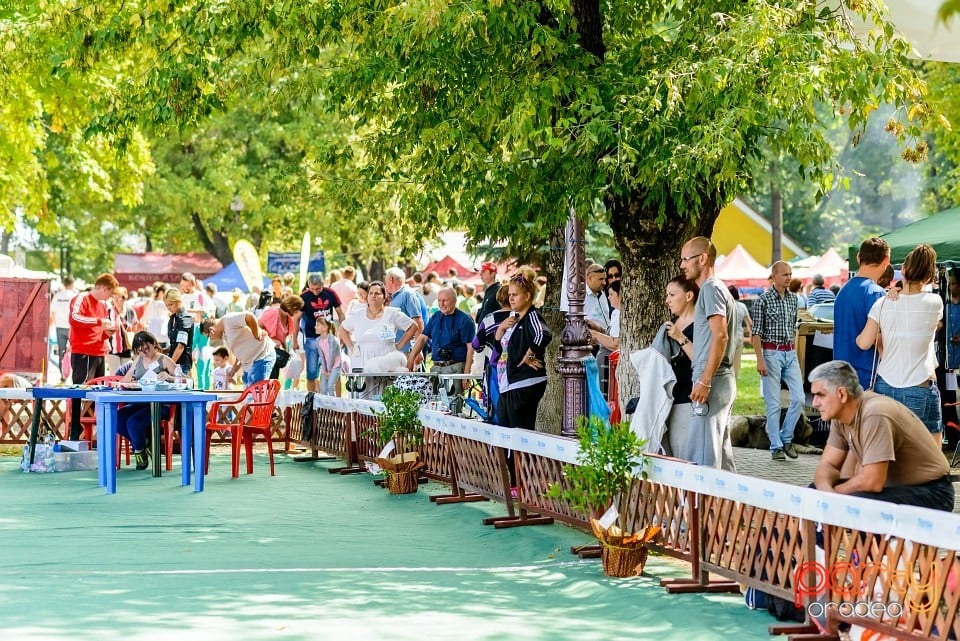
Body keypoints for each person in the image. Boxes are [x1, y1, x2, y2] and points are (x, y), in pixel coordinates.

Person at [809, 360, 953, 512]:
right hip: (896, 489)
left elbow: (872, 482)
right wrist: (825, 491)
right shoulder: (841, 415)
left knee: (860, 503)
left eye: (820, 395)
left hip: (933, 492)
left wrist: (834, 496)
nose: (814, 403)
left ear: (841, 394)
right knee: (813, 493)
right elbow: (827, 465)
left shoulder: (875, 413)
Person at [855, 244, 944, 447]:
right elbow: (923, 301)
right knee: (930, 455)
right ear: (930, 277)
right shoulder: (935, 302)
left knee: (887, 452)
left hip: (885, 385)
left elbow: (864, 343)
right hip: (921, 385)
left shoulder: (883, 303)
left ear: (902, 269)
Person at [678, 236, 737, 471]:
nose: (682, 265)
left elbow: (720, 336)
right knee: (721, 457)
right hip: (719, 380)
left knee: (703, 461)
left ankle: (705, 509)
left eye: (685, 259)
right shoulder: (716, 289)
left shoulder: (710, 289)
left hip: (712, 382)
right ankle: (728, 507)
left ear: (702, 258)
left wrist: (704, 380)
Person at [751, 261, 805, 461]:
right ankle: (776, 446)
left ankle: (786, 438)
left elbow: (792, 328)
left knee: (799, 398)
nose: (789, 277)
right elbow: (756, 334)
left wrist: (794, 353)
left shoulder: (794, 300)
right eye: (784, 274)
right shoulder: (763, 301)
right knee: (773, 404)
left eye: (790, 274)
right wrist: (760, 360)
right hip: (770, 353)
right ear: (774, 276)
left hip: (789, 353)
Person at [339, 281, 418, 400]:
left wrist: (399, 345)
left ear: (384, 297)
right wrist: (351, 346)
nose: (373, 296)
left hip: (386, 358)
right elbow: (342, 329)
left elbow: (413, 326)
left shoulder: (392, 313)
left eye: (377, 293)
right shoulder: (358, 314)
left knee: (386, 396)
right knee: (362, 396)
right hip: (362, 359)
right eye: (370, 293)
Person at [495, 268, 552, 430]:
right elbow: (501, 350)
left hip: (524, 383)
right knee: (504, 433)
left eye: (515, 295)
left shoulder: (532, 316)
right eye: (509, 295)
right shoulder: (514, 318)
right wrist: (500, 330)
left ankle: (521, 457)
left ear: (527, 296)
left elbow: (544, 334)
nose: (510, 299)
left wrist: (530, 353)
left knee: (518, 435)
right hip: (508, 383)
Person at [117, 331, 179, 470]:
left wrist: (169, 377)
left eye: (147, 348)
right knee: (117, 417)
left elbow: (186, 380)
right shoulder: (138, 360)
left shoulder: (164, 360)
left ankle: (139, 451)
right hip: (141, 402)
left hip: (161, 404)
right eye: (141, 350)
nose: (145, 353)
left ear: (154, 344)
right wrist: (131, 381)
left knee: (134, 422)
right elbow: (124, 381)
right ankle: (144, 443)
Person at [834, 237, 890, 389]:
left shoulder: (843, 290)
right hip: (866, 376)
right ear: (887, 260)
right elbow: (878, 337)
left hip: (841, 373)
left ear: (859, 257)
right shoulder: (876, 292)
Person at [67, 273, 119, 439]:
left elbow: (98, 331)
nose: (110, 297)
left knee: (98, 391)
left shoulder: (103, 306)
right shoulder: (82, 298)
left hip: (99, 351)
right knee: (79, 390)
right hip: (83, 351)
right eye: (110, 293)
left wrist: (107, 334)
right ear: (105, 289)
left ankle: (94, 431)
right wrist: (98, 322)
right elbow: (74, 318)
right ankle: (75, 430)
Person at [406, 287, 477, 392]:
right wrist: (411, 358)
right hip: (436, 368)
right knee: (434, 403)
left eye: (445, 300)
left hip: (455, 368)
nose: (441, 304)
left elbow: (470, 348)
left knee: (453, 403)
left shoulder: (465, 320)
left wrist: (466, 374)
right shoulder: (436, 316)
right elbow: (422, 338)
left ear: (454, 301)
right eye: (439, 300)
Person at [662, 277, 698, 457]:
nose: (667, 300)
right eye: (667, 295)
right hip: (667, 398)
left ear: (689, 295)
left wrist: (680, 338)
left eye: (672, 295)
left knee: (682, 454)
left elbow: (700, 359)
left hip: (687, 398)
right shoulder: (672, 322)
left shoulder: (700, 324)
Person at [200, 312, 276, 387]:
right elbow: (240, 351)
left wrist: (256, 334)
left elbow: (250, 317)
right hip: (249, 364)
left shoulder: (229, 320)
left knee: (255, 393)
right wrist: (234, 369)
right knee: (247, 394)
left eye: (209, 336)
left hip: (261, 356)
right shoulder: (224, 335)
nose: (212, 339)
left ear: (211, 330)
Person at [472, 283, 511, 421]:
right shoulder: (520, 317)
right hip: (516, 369)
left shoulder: (489, 319)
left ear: (499, 298)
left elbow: (476, 345)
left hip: (494, 370)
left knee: (495, 410)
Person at [301, 273, 345, 393]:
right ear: (308, 285)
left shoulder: (330, 293)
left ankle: (338, 400)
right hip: (312, 338)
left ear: (322, 284)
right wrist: (294, 339)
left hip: (329, 336)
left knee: (334, 368)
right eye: (312, 289)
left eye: (318, 289)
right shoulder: (304, 297)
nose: (315, 292)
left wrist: (342, 333)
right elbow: (296, 318)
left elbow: (340, 313)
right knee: (311, 372)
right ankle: (312, 399)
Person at [259, 294, 304, 380]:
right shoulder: (273, 312)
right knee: (268, 380)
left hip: (275, 353)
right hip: (264, 352)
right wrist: (271, 340)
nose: (298, 313)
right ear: (292, 307)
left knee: (274, 380)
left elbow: (283, 335)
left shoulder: (288, 318)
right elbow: (257, 327)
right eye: (297, 310)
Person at [384, 267, 425, 354]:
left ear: (391, 279)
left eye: (386, 280)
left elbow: (418, 322)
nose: (385, 284)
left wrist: (417, 351)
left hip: (406, 350)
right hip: (395, 350)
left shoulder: (408, 294)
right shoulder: (394, 296)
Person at [50, 275, 77, 376]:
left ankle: (63, 374)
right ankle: (74, 372)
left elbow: (52, 312)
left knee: (62, 351)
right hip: (72, 328)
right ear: (73, 284)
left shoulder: (58, 296)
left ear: (64, 284)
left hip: (60, 327)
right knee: (74, 351)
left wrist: (53, 325)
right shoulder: (74, 296)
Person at [163, 288, 194, 376]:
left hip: (182, 365)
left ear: (178, 301)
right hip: (174, 362)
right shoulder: (172, 318)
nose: (169, 308)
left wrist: (169, 366)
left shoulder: (185, 319)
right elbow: (174, 344)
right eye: (166, 305)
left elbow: (180, 347)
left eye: (171, 304)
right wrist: (163, 350)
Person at [727, 285, 753, 378]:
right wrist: (751, 335)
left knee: (726, 366)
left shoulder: (726, 307)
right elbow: (749, 323)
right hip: (739, 338)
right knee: (736, 365)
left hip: (728, 338)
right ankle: (734, 386)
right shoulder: (742, 306)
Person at [590, 280, 622, 352]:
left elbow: (615, 344)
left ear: (619, 295)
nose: (608, 297)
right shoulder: (615, 312)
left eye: (611, 294)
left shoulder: (621, 316)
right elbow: (610, 335)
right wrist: (596, 328)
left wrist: (595, 334)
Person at [314, 316, 342, 396]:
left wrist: (329, 370)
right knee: (323, 389)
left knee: (330, 386)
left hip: (335, 366)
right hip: (326, 367)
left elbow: (332, 355)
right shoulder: (318, 340)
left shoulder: (332, 339)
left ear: (325, 327)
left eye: (318, 325)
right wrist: (325, 370)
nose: (315, 327)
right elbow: (322, 357)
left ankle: (333, 406)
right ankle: (325, 408)